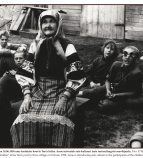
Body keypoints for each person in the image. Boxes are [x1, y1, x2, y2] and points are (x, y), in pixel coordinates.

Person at [10, 9, 86, 148]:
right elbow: (26, 71)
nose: (48, 25)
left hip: (61, 91)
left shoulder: (67, 45)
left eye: (52, 21)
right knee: (23, 120)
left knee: (60, 120)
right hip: (39, 91)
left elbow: (76, 75)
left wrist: (64, 98)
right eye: (44, 22)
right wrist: (27, 96)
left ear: (58, 25)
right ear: (40, 25)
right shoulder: (35, 45)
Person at [78, 46, 143, 114]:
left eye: (131, 55)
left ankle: (97, 101)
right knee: (95, 91)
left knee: (104, 106)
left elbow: (135, 92)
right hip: (112, 89)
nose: (127, 57)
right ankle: (72, 94)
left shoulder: (136, 74)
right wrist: (108, 90)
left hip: (123, 95)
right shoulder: (116, 65)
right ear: (122, 56)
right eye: (125, 54)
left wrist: (117, 95)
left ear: (136, 58)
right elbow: (108, 80)